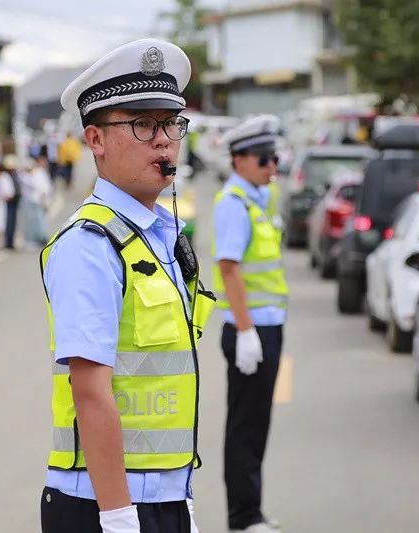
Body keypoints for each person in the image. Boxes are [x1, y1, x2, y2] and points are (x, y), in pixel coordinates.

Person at [40, 38, 215, 533]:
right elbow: (90, 390)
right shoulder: (90, 244)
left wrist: (178, 501)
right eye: (142, 124)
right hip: (104, 503)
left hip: (163, 496)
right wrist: (118, 516)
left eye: (171, 123)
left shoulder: (158, 235)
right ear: (95, 139)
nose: (164, 140)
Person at [211, 115, 288, 533]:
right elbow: (229, 268)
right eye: (263, 159)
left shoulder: (258, 199)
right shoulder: (234, 203)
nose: (271, 166)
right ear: (239, 160)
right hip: (250, 329)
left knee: (257, 423)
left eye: (274, 158)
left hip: (265, 327)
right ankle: (242, 518)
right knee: (245, 425)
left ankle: (251, 511)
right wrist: (244, 330)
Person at [21, 154, 53, 248]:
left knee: (39, 220)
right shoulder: (36, 173)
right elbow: (39, 186)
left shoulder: (39, 172)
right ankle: (39, 238)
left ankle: (41, 238)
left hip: (39, 199)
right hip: (35, 200)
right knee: (36, 220)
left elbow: (45, 187)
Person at [3, 154, 23, 250]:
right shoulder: (6, 177)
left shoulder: (15, 175)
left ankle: (10, 241)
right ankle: (8, 242)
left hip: (15, 201)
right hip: (10, 202)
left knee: (13, 222)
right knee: (9, 222)